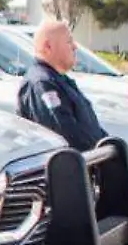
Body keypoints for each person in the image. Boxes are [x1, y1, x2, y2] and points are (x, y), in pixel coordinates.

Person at [17, 19, 106, 151]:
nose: (75, 47)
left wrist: (108, 144)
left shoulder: (59, 80)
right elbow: (65, 136)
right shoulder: (42, 84)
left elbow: (90, 128)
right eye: (69, 41)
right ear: (48, 46)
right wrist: (99, 150)